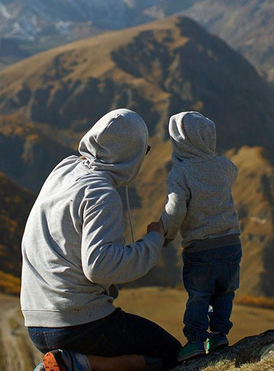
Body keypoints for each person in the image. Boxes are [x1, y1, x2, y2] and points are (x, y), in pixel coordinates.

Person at [21, 109, 182, 371]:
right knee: (173, 356)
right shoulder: (100, 193)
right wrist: (154, 240)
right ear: (130, 153)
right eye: (144, 150)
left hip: (36, 321)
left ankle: (72, 363)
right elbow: (100, 266)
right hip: (78, 322)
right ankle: (80, 363)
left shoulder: (64, 170)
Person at [160, 111, 242, 362]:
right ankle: (219, 335)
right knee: (225, 292)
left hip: (200, 249)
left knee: (199, 296)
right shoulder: (224, 166)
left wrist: (166, 234)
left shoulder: (181, 174)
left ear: (180, 141)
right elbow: (233, 172)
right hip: (231, 244)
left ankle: (195, 340)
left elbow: (175, 209)